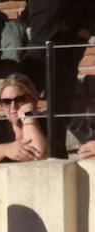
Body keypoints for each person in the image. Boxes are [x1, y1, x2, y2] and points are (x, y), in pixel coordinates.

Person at [18, 0, 93, 148]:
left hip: (74, 28)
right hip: (46, 22)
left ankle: (56, 150)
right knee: (20, 94)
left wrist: (87, 27)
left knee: (60, 106)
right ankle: (19, 143)